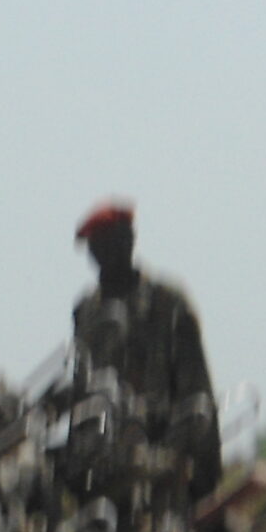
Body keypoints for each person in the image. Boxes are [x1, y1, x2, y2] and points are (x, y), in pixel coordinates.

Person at [70, 201, 222, 490]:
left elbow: (197, 388)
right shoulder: (86, 312)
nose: (100, 253)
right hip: (103, 459)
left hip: (165, 451)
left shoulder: (168, 303)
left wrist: (206, 468)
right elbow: (80, 389)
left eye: (109, 242)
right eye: (95, 245)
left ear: (129, 241)